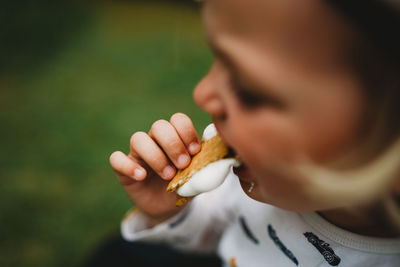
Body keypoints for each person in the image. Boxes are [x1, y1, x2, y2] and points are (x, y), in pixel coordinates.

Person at [108, 0, 400, 266]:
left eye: (248, 91)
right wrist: (168, 213)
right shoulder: (257, 183)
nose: (202, 94)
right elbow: (214, 231)